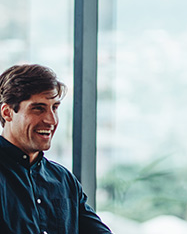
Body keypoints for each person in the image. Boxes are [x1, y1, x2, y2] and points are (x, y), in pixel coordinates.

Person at [0, 64, 112, 233]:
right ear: (7, 113)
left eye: (55, 108)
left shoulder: (64, 180)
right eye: (38, 108)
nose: (51, 120)